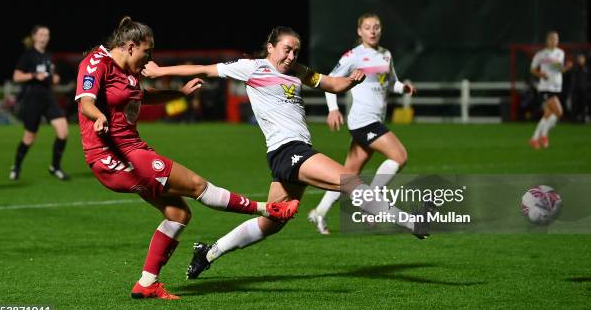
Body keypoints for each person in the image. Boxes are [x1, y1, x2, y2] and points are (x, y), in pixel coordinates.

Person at [142, 26, 433, 280]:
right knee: (349, 182)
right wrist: (159, 72)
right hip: (288, 150)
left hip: (290, 154)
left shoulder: (298, 71)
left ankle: (208, 253)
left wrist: (352, 82)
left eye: (295, 51)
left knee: (272, 223)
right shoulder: (252, 67)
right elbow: (205, 69)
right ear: (270, 47)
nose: (291, 56)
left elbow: (332, 83)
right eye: (286, 50)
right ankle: (409, 221)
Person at [76, 17, 299, 300]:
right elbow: (85, 102)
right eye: (147, 52)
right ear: (130, 46)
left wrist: (178, 94)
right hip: (114, 156)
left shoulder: (129, 70)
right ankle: (268, 209)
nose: (149, 59)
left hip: (133, 150)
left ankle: (147, 283)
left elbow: (139, 96)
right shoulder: (97, 63)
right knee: (196, 185)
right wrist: (98, 118)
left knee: (178, 214)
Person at [308, 13, 416, 234]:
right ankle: (371, 205)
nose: (373, 31)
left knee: (348, 175)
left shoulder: (386, 55)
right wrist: (333, 109)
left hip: (374, 120)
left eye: (376, 27)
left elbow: (391, 83)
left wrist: (403, 88)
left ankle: (319, 212)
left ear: (381, 30)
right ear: (360, 31)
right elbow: (329, 80)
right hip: (362, 121)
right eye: (367, 27)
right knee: (399, 156)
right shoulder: (353, 56)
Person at [10, 25, 70, 181]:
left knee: (63, 132)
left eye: (47, 34)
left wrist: (54, 78)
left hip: (48, 98)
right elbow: (16, 77)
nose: (45, 37)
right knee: (29, 138)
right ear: (35, 36)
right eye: (42, 34)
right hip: (32, 100)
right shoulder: (28, 56)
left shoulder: (49, 56)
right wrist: (34, 75)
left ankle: (55, 167)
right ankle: (16, 166)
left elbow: (52, 75)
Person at [528, 31, 573, 149]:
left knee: (547, 115)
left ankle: (535, 138)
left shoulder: (560, 53)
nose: (554, 41)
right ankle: (543, 135)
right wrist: (540, 74)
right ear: (547, 40)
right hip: (545, 88)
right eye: (552, 39)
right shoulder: (541, 54)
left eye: (556, 39)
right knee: (559, 112)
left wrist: (566, 68)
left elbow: (559, 69)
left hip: (556, 87)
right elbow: (532, 69)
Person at [569, 53, 590, 122]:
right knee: (574, 104)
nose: (581, 60)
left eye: (582, 59)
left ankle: (583, 118)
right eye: (579, 59)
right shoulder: (574, 68)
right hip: (575, 89)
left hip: (584, 90)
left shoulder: (587, 69)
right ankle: (573, 118)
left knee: (583, 104)